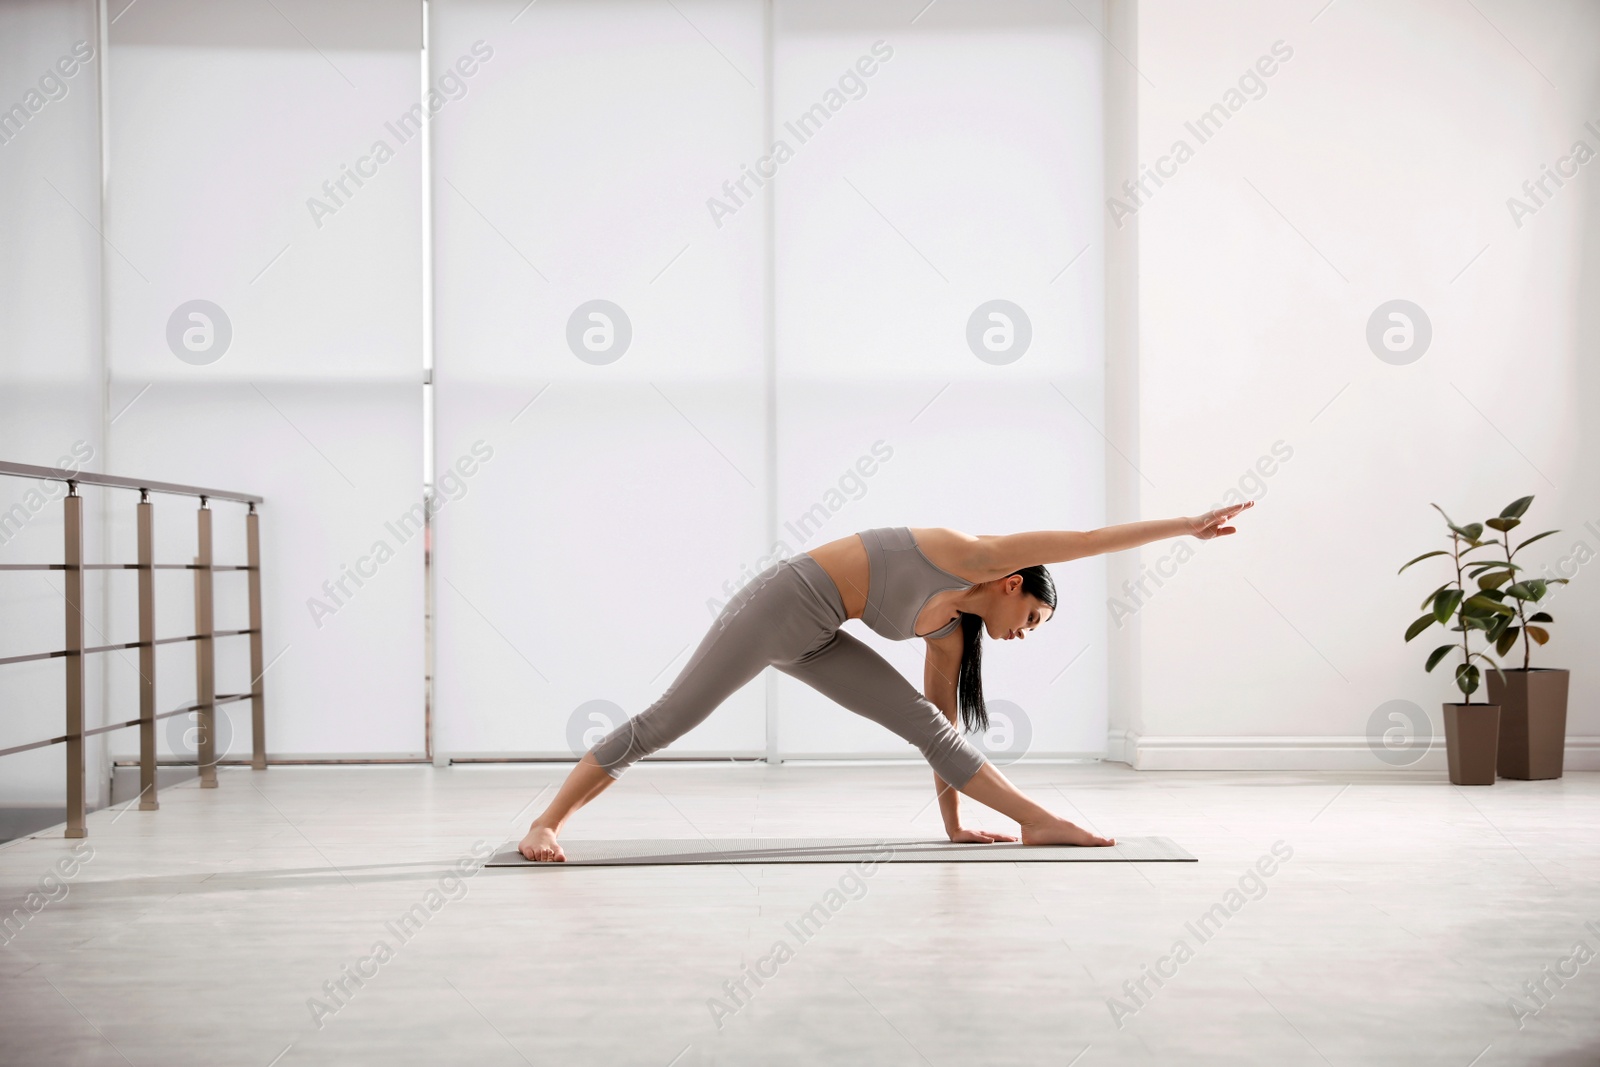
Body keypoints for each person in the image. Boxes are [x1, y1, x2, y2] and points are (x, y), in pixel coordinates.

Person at [518, 503, 1253, 861]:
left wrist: (954, 825)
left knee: (929, 723)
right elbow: (1088, 541)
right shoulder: (975, 552)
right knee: (668, 720)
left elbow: (934, 727)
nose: (1028, 631)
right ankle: (545, 822)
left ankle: (1033, 818)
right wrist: (1187, 525)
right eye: (1033, 615)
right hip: (779, 604)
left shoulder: (951, 632)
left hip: (817, 638)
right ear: (1010, 582)